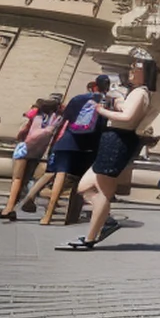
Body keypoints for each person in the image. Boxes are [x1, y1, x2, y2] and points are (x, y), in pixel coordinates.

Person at [58, 57, 157, 249]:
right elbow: (126, 110)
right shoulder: (136, 92)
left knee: (103, 190)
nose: (131, 70)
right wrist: (119, 100)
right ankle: (106, 220)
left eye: (135, 67)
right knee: (84, 187)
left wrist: (101, 111)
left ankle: (91, 237)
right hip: (113, 139)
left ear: (145, 72)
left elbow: (128, 117)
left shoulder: (140, 92)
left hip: (118, 140)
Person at [31, 77, 111, 225]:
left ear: (94, 85)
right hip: (91, 144)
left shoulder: (79, 98)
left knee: (60, 176)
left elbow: (67, 117)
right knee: (80, 180)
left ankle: (48, 216)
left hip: (70, 139)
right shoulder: (109, 102)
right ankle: (72, 216)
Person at [0, 99, 63, 220]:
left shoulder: (40, 117)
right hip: (37, 152)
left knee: (17, 179)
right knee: (25, 180)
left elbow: (30, 134)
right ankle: (15, 207)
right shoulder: (56, 118)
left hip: (25, 149)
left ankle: (8, 209)